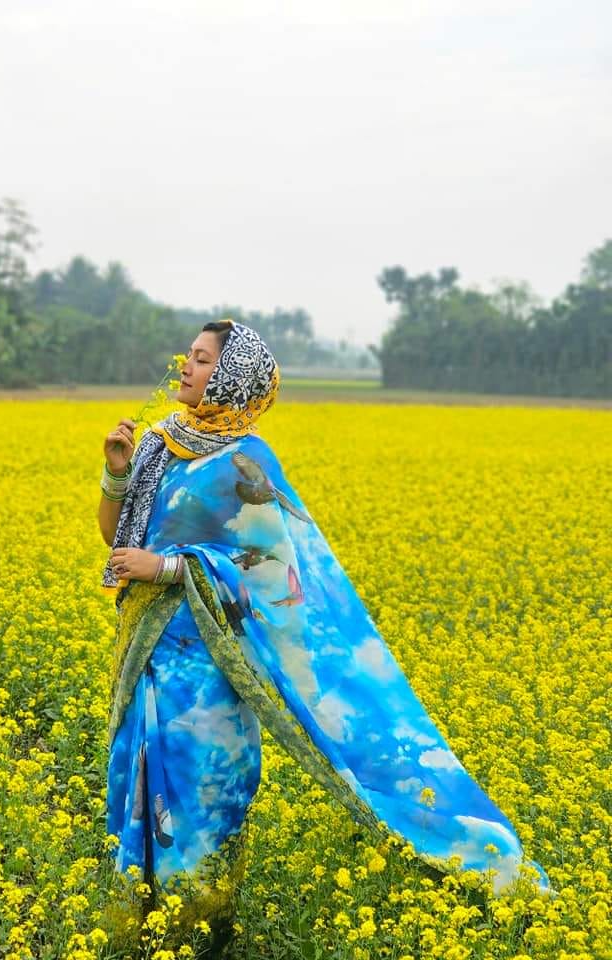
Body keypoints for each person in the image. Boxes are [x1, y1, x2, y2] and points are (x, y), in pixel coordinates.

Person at [97, 319, 551, 951]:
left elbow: (275, 572)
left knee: (200, 793)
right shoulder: (157, 444)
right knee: (136, 782)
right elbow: (118, 539)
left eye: (200, 359)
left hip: (207, 667)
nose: (185, 366)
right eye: (188, 355)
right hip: (145, 649)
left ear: (231, 378)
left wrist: (170, 568)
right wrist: (117, 473)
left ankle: (196, 932)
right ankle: (137, 930)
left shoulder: (246, 462)